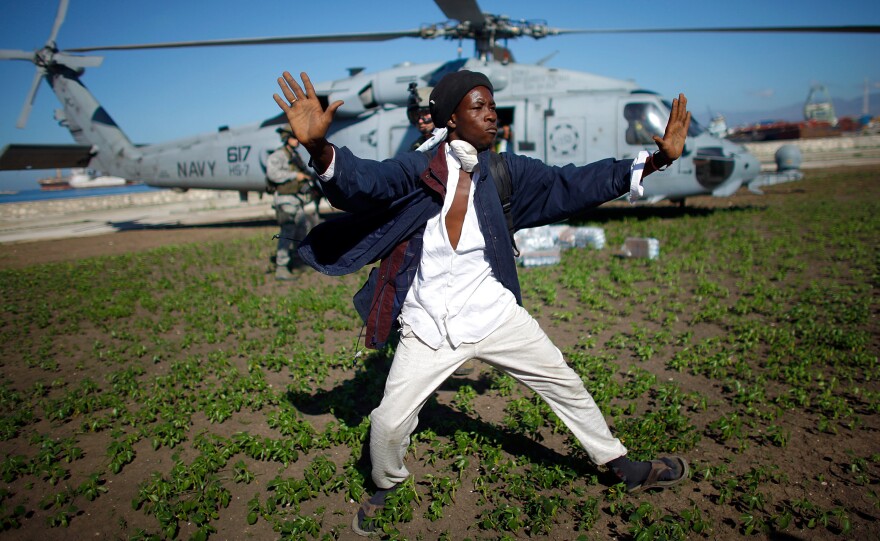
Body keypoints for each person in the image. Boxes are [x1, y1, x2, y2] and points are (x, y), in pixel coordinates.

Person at [273, 70, 691, 536]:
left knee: (565, 384)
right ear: (451, 119)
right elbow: (365, 182)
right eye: (478, 106)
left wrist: (655, 161)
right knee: (387, 425)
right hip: (429, 324)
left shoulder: (506, 172)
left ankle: (619, 463)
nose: (491, 114)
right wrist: (319, 149)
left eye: (492, 106)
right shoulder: (418, 169)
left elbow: (575, 183)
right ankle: (389, 483)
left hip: (494, 314)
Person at [265, 127, 319, 280]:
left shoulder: (294, 155)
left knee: (302, 228)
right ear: (287, 138)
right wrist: (296, 175)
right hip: (284, 199)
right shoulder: (278, 155)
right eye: (294, 138)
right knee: (287, 231)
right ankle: (281, 267)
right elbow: (273, 174)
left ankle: (297, 260)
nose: (297, 141)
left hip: (296, 198)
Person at [406, 83, 435, 151]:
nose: (420, 121)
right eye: (416, 116)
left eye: (426, 114)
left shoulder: (450, 144)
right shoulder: (417, 147)